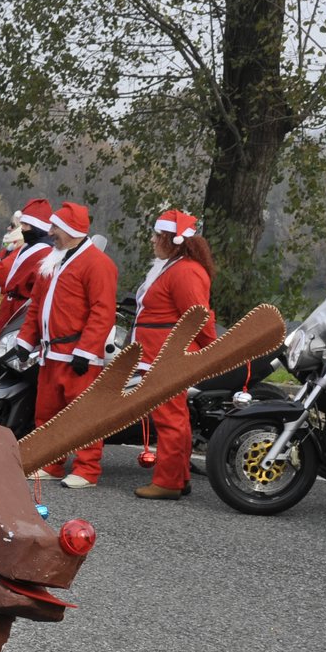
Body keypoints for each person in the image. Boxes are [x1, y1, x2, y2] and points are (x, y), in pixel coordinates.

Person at [11, 201, 118, 488]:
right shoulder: (53, 260)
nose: (51, 232)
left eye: (56, 227)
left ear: (70, 230)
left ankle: (87, 469)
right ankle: (51, 462)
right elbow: (36, 306)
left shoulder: (98, 264)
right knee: (46, 412)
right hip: (50, 353)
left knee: (83, 415)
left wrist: (86, 350)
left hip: (77, 355)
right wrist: (25, 340)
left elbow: (102, 310)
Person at [131, 209, 217, 500]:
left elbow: (198, 316)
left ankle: (168, 481)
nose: (153, 241)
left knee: (170, 419)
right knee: (174, 418)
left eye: (158, 236)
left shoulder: (185, 271)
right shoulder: (174, 267)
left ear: (173, 239)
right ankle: (178, 477)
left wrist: (210, 349)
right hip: (160, 353)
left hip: (168, 355)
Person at [0, 197, 53, 333]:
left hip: (20, 311)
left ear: (37, 227)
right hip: (10, 307)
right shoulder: (26, 246)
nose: (23, 229)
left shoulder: (44, 252)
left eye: (26, 225)